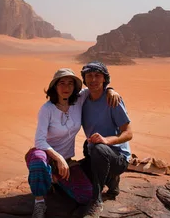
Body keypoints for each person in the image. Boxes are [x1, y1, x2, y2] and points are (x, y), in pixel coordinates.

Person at [25, 68, 121, 218]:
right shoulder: (47, 109)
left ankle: (52, 179)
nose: (66, 87)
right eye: (61, 83)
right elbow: (39, 141)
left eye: (70, 84)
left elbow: (95, 87)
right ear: (54, 86)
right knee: (38, 161)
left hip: (65, 163)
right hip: (45, 155)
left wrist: (110, 90)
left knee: (86, 196)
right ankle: (39, 203)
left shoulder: (78, 100)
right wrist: (59, 158)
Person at [80, 61, 133, 218]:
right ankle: (112, 181)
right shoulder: (83, 99)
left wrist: (106, 140)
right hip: (95, 152)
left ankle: (97, 201)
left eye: (98, 76)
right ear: (84, 78)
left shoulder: (112, 101)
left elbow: (128, 133)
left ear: (105, 79)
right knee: (75, 174)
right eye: (89, 76)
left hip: (118, 158)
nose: (93, 80)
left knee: (98, 149)